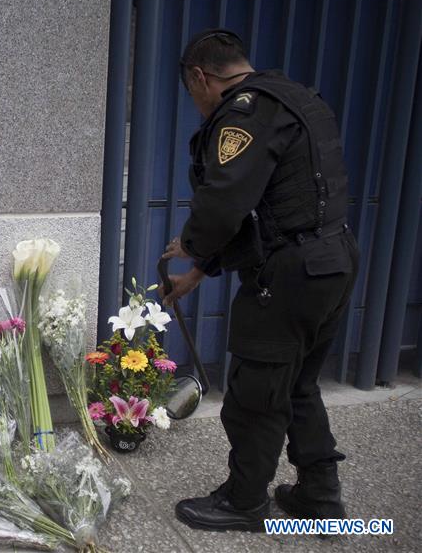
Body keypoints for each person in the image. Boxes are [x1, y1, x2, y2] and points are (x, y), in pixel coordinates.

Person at [161, 28, 359, 532]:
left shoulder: (245, 112)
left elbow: (227, 200)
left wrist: (192, 242)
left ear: (201, 77)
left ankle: (245, 502)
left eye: (193, 95)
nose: (198, 106)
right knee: (298, 382)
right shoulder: (297, 98)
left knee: (255, 391)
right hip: (332, 260)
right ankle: (319, 495)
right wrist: (198, 273)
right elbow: (268, 206)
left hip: (289, 275)